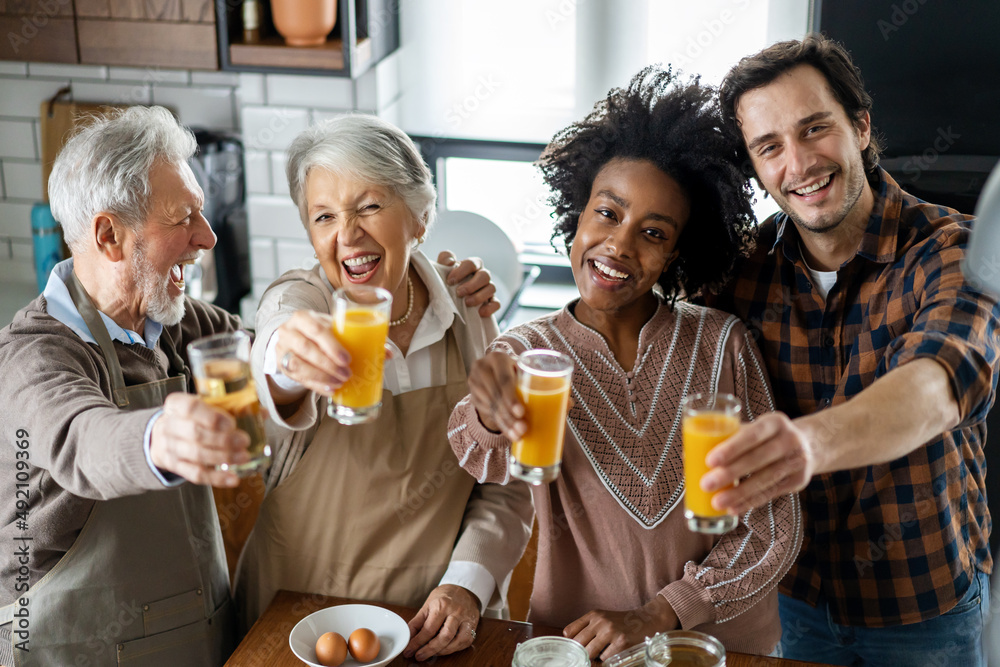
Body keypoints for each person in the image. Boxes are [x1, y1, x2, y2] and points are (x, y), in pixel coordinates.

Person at [0, 106, 495, 667]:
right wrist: (160, 437)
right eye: (183, 217)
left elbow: (270, 344)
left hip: (196, 638)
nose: (206, 237)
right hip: (73, 650)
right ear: (110, 236)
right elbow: (79, 439)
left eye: (202, 214)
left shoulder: (183, 327)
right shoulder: (31, 356)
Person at [446, 67, 802, 661]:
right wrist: (487, 415)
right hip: (582, 647)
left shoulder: (723, 346)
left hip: (714, 649)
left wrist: (662, 612)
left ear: (676, 254)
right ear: (577, 212)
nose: (619, 245)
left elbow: (772, 528)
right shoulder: (527, 354)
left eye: (653, 232)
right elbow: (482, 457)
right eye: (607, 214)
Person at [698, 35, 1000, 664]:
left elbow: (939, 382)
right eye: (770, 147)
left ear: (860, 126)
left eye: (815, 129)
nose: (799, 163)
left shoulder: (950, 248)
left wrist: (809, 444)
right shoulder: (741, 272)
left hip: (926, 606)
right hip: (794, 598)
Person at [232, 114, 533, 662]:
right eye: (324, 216)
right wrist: (292, 356)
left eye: (369, 206)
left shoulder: (469, 314)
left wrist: (467, 584)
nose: (346, 234)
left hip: (430, 628)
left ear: (419, 216)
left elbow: (504, 483)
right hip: (300, 618)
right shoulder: (302, 300)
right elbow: (280, 337)